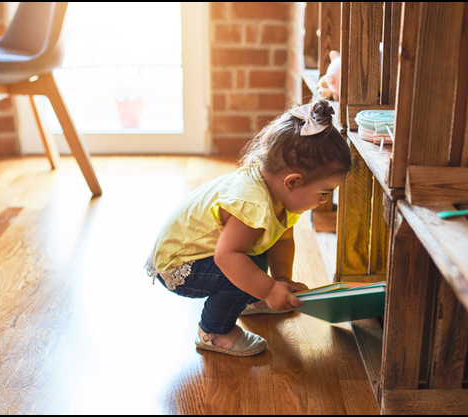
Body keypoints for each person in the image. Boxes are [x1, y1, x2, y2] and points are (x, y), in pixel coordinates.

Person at [144, 99, 352, 356]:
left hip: (203, 255)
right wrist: (268, 289)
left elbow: (282, 241)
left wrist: (280, 281)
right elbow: (226, 257)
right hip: (178, 266)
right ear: (293, 182)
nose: (324, 201)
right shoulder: (254, 204)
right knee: (245, 267)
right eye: (324, 193)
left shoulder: (281, 197)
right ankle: (214, 332)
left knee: (254, 258)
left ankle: (251, 298)